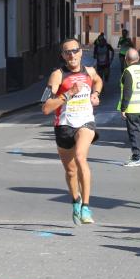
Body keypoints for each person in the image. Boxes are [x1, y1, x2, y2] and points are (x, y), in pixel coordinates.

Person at [41, 38, 102, 225]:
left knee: (80, 156)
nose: (72, 55)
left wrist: (95, 94)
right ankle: (75, 200)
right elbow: (46, 108)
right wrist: (68, 94)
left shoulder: (89, 71)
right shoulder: (57, 75)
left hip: (85, 121)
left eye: (75, 51)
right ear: (63, 56)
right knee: (70, 170)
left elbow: (98, 81)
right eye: (67, 52)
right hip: (64, 125)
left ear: (81, 52)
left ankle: (86, 207)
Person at [118, 48, 140, 166]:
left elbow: (127, 92)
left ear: (126, 59)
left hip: (132, 108)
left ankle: (137, 157)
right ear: (138, 58)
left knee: (133, 132)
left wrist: (123, 108)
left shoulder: (128, 72)